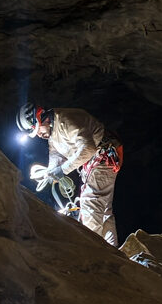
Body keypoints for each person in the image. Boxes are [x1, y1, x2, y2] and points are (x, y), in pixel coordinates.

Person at [17, 101, 123, 246]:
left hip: (103, 156)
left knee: (90, 205)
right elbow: (56, 154)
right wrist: (50, 173)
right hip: (94, 162)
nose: (40, 135)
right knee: (103, 210)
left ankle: (94, 251)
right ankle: (113, 249)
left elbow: (88, 148)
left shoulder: (67, 120)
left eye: (38, 131)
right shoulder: (52, 131)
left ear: (43, 117)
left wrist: (62, 170)